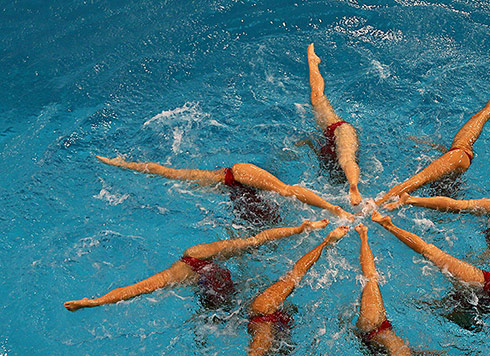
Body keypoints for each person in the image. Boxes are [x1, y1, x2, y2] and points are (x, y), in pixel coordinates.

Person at [210, 225, 350, 356]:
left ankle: (326, 242)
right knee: (294, 277)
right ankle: (325, 242)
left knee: (295, 276)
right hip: (265, 311)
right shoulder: (269, 338)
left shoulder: (265, 339)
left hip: (264, 310)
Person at [64, 220, 330, 311]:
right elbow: (138, 289)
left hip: (231, 295)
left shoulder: (205, 252)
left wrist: (300, 229)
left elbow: (256, 240)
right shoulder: (179, 273)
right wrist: (95, 302)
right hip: (216, 307)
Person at [375, 73, 490, 206]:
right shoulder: (449, 168)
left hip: (460, 153)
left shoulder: (450, 165)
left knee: (418, 180)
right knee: (482, 115)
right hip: (460, 153)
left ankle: (375, 205)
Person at [95, 155, 354, 220]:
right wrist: (123, 164)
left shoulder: (240, 173)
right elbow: (166, 172)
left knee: (285, 191)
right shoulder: (218, 181)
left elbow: (288, 191)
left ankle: (333, 207)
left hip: (242, 177)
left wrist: (334, 209)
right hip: (242, 195)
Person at [354, 224, 436, 356]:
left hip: (375, 326)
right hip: (371, 331)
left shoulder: (397, 349)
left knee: (371, 278)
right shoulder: (392, 349)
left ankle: (363, 235)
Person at [299, 43, 362, 206]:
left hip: (336, 131)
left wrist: (308, 143)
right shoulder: (333, 165)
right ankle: (354, 185)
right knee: (346, 159)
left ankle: (313, 62)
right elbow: (348, 162)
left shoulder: (328, 165)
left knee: (317, 97)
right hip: (342, 131)